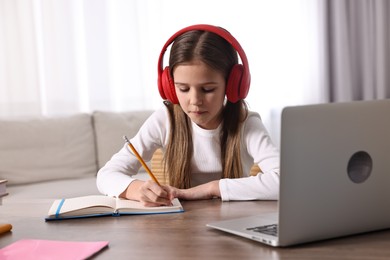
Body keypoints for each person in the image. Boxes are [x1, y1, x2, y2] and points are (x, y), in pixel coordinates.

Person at [97, 24, 280, 206]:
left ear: (232, 84)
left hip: (232, 222)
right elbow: (106, 175)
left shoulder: (246, 122)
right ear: (169, 86)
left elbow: (284, 181)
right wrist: (137, 189)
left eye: (208, 89)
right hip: (179, 226)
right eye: (183, 88)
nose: (194, 100)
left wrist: (211, 189)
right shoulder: (164, 120)